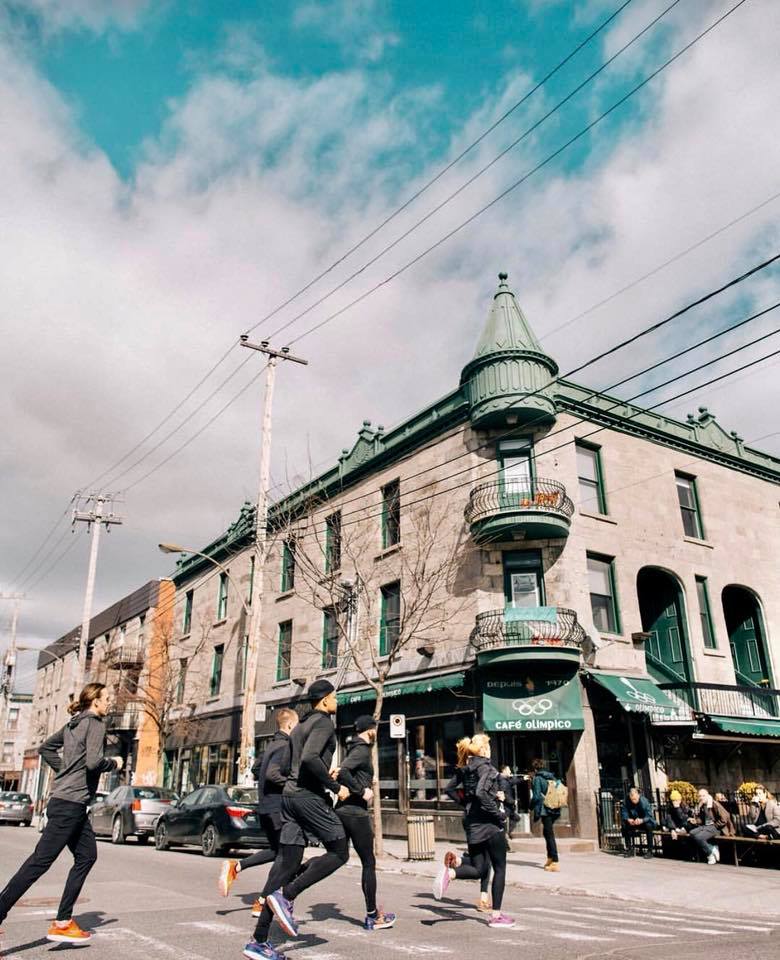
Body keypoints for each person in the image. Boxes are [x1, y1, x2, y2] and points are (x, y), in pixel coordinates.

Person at [0, 683, 122, 945]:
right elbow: (94, 762)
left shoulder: (74, 723)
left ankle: (63, 921)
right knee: (39, 863)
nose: (110, 701)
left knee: (87, 856)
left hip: (70, 804)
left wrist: (65, 770)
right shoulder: (95, 724)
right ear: (95, 701)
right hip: (70, 805)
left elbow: (46, 748)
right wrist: (114, 763)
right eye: (107, 697)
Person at [244, 679, 350, 960]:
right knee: (340, 852)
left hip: (289, 799)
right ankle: (287, 895)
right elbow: (311, 758)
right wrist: (334, 785)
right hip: (307, 798)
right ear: (325, 700)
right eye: (334, 697)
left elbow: (285, 767)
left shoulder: (299, 726)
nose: (337, 701)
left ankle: (258, 941)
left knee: (286, 866)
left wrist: (318, 774)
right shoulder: (324, 723)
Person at [219, 708, 299, 915]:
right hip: (278, 808)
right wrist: (292, 783)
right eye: (297, 725)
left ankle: (237, 866)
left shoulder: (271, 745)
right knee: (286, 856)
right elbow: (272, 774)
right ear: (290, 725)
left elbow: (257, 769)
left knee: (276, 851)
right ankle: (264, 900)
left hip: (264, 807)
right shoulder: (285, 746)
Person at [432, 734, 514, 929]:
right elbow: (480, 792)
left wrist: (467, 804)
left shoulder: (466, 768)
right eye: (489, 747)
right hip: (490, 825)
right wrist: (499, 814)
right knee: (500, 868)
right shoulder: (488, 768)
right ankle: (496, 916)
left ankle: (451, 873)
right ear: (484, 750)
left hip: (472, 825)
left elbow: (450, 789)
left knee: (480, 869)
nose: (490, 750)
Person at [335, 716, 395, 930]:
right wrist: (362, 791)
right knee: (368, 863)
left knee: (334, 857)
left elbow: (346, 772)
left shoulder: (354, 748)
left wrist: (367, 780)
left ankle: (289, 889)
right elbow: (342, 772)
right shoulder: (361, 750)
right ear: (371, 731)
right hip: (355, 813)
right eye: (375, 729)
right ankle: (372, 916)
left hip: (343, 811)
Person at [444, 764, 492, 913]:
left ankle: (458, 861)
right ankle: (483, 899)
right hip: (483, 819)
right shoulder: (483, 770)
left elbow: (449, 789)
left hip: (469, 818)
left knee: (481, 859)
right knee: (485, 862)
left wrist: (464, 803)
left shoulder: (464, 771)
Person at [530, 759, 560, 872]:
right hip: (554, 808)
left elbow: (536, 796)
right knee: (547, 833)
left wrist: (530, 806)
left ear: (535, 769)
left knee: (549, 835)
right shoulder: (551, 777)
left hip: (545, 810)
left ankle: (555, 861)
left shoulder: (538, 779)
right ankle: (550, 858)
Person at [689, 788, 734, 864]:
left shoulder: (714, 804)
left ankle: (710, 854)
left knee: (699, 837)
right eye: (700, 796)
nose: (701, 797)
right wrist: (696, 821)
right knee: (692, 833)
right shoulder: (702, 805)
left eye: (703, 796)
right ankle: (712, 848)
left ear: (707, 795)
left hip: (717, 828)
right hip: (706, 826)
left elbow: (725, 817)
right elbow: (702, 819)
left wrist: (716, 825)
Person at [620, 787, 657, 858]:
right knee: (624, 825)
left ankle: (650, 851)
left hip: (645, 821)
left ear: (638, 795)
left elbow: (649, 815)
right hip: (634, 821)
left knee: (649, 826)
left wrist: (642, 820)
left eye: (635, 799)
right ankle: (629, 849)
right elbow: (624, 812)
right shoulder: (627, 801)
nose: (633, 801)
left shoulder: (644, 801)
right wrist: (628, 819)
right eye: (632, 799)